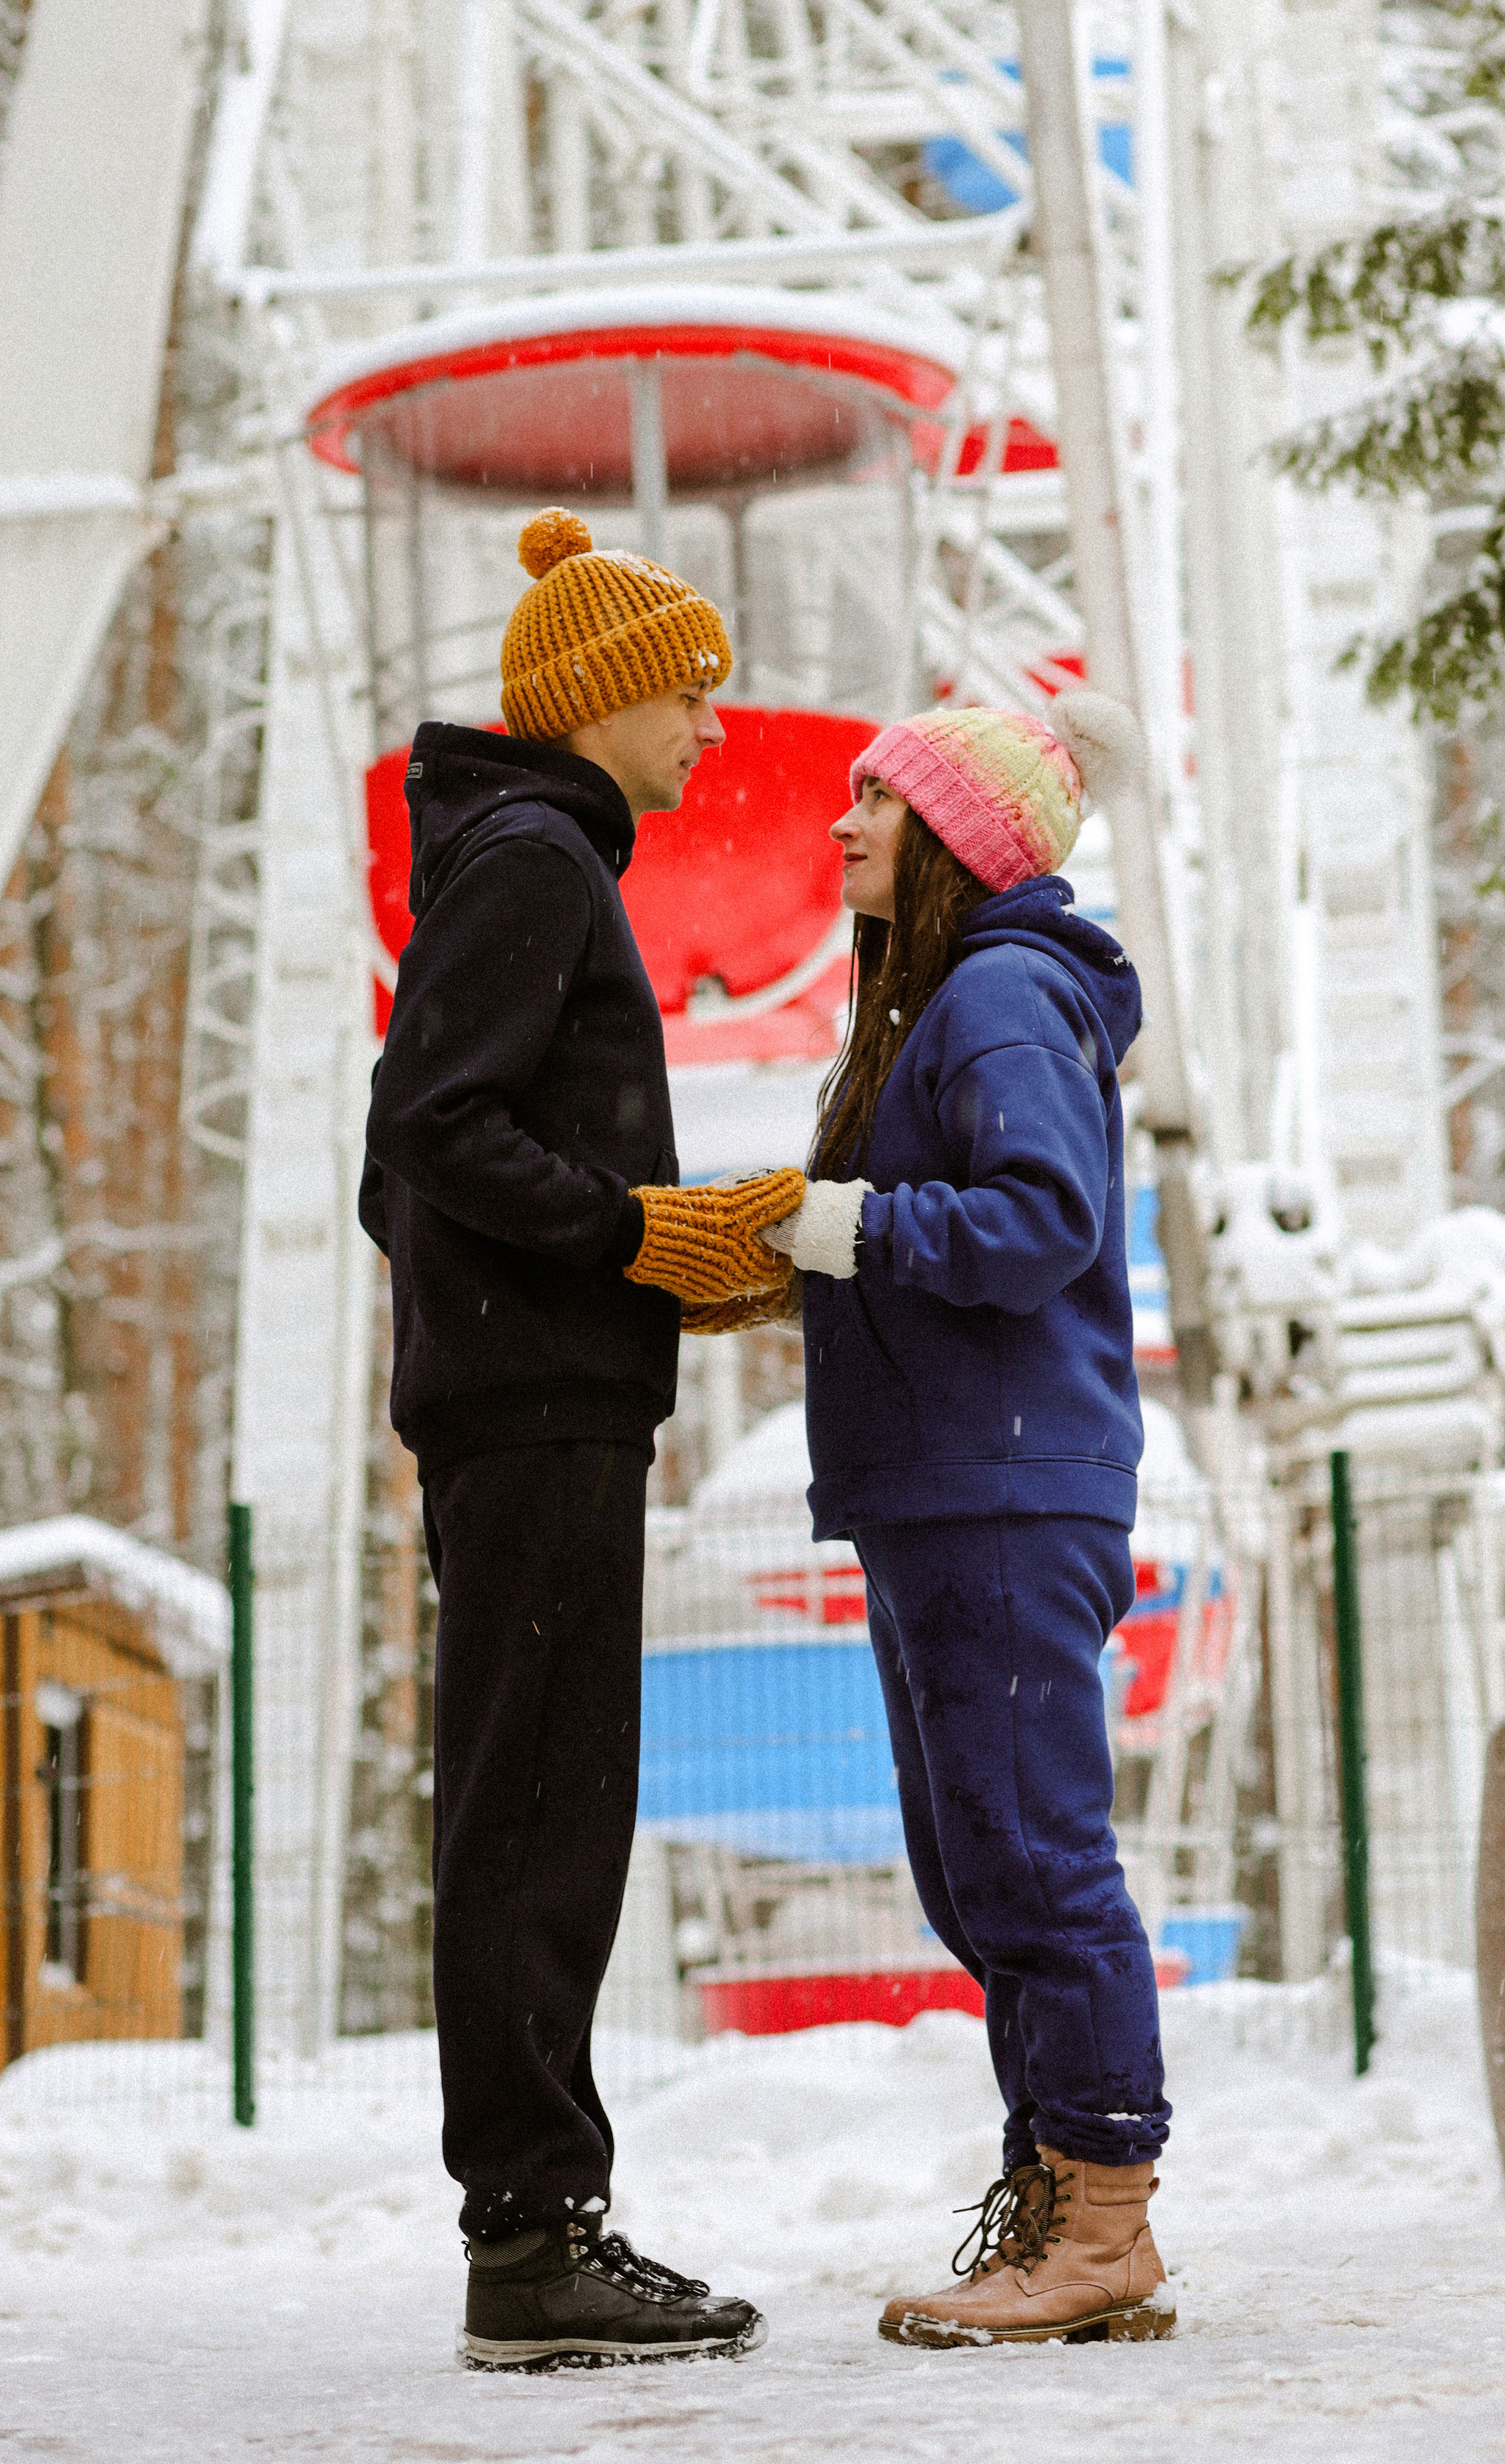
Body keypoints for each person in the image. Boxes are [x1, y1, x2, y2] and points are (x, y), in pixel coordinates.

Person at [359, 506, 798, 2371]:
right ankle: (532, 2243)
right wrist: (625, 1244)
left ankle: (538, 2225)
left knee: (535, 1810)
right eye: (686, 690)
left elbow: (420, 1164)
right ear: (602, 696)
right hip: (534, 1422)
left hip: (530, 1400)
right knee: (541, 1818)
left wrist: (623, 1279)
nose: (712, 724)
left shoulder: (517, 856)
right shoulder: (536, 858)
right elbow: (430, 1130)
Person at [763, 693, 1176, 2349]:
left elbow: (1035, 1222)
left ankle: (1103, 2226)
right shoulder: (943, 999)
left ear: (956, 839)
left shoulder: (1000, 995)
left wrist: (836, 1226)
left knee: (1034, 1859)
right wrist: (790, 1252)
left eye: (878, 800)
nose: (842, 823)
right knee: (977, 1865)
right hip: (949, 1485)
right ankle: (1057, 2203)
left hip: (1001, 1486)